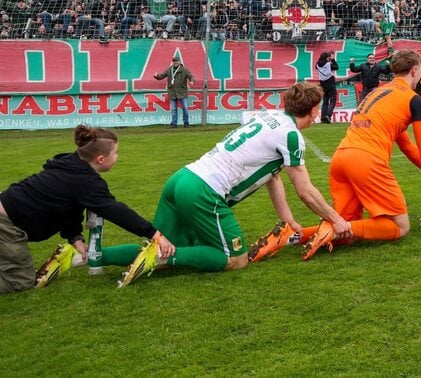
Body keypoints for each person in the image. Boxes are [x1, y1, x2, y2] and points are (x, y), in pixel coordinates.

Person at [118, 83, 349, 286]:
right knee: (236, 259)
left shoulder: (269, 116)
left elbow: (273, 176)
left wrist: (289, 221)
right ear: (313, 110)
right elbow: (306, 191)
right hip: (203, 190)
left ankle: (90, 256)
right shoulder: (290, 135)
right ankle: (165, 257)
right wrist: (336, 220)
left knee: (163, 242)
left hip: (182, 178)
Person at [273, 50, 421, 257]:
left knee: (347, 230)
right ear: (415, 70)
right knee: (401, 226)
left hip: (341, 158)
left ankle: (291, 236)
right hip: (366, 161)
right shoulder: (412, 99)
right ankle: (329, 230)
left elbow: (405, 145)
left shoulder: (376, 93)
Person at [0, 125, 174, 293]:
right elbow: (117, 212)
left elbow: (69, 207)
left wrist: (74, 237)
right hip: (5, 224)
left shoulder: (71, 164)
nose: (117, 156)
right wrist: (155, 234)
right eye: (115, 153)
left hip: (6, 214)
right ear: (101, 159)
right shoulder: (86, 182)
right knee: (20, 282)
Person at [153, 55, 194, 128]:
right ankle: (174, 123)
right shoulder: (169, 70)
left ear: (179, 61)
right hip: (172, 92)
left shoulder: (184, 70)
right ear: (172, 62)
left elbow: (191, 76)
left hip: (182, 92)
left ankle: (186, 123)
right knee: (173, 109)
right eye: (174, 61)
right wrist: (156, 76)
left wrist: (192, 81)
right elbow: (161, 76)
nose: (175, 62)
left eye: (176, 61)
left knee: (185, 108)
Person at [315, 50, 339, 123]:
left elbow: (317, 67)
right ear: (327, 57)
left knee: (325, 101)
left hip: (323, 83)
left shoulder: (317, 64)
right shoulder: (329, 64)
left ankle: (322, 117)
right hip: (330, 82)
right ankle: (328, 116)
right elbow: (336, 67)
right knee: (332, 100)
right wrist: (332, 59)